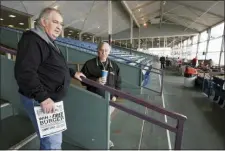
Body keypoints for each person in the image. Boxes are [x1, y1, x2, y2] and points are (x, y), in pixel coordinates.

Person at [14, 7, 86, 150]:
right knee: (52, 143)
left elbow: (51, 64)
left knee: (52, 142)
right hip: (41, 100)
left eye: (61, 24)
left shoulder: (46, 39)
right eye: (55, 22)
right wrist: (43, 98)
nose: (59, 27)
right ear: (43, 22)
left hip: (48, 99)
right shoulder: (32, 39)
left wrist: (72, 73)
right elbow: (25, 72)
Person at [80, 41, 122, 148]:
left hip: (110, 100)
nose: (103, 52)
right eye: (101, 50)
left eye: (106, 50)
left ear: (109, 52)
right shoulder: (89, 64)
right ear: (98, 51)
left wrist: (115, 96)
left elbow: (118, 83)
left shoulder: (115, 66)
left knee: (107, 121)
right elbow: (82, 80)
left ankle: (105, 140)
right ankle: (92, 138)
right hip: (94, 99)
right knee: (94, 120)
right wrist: (96, 81)